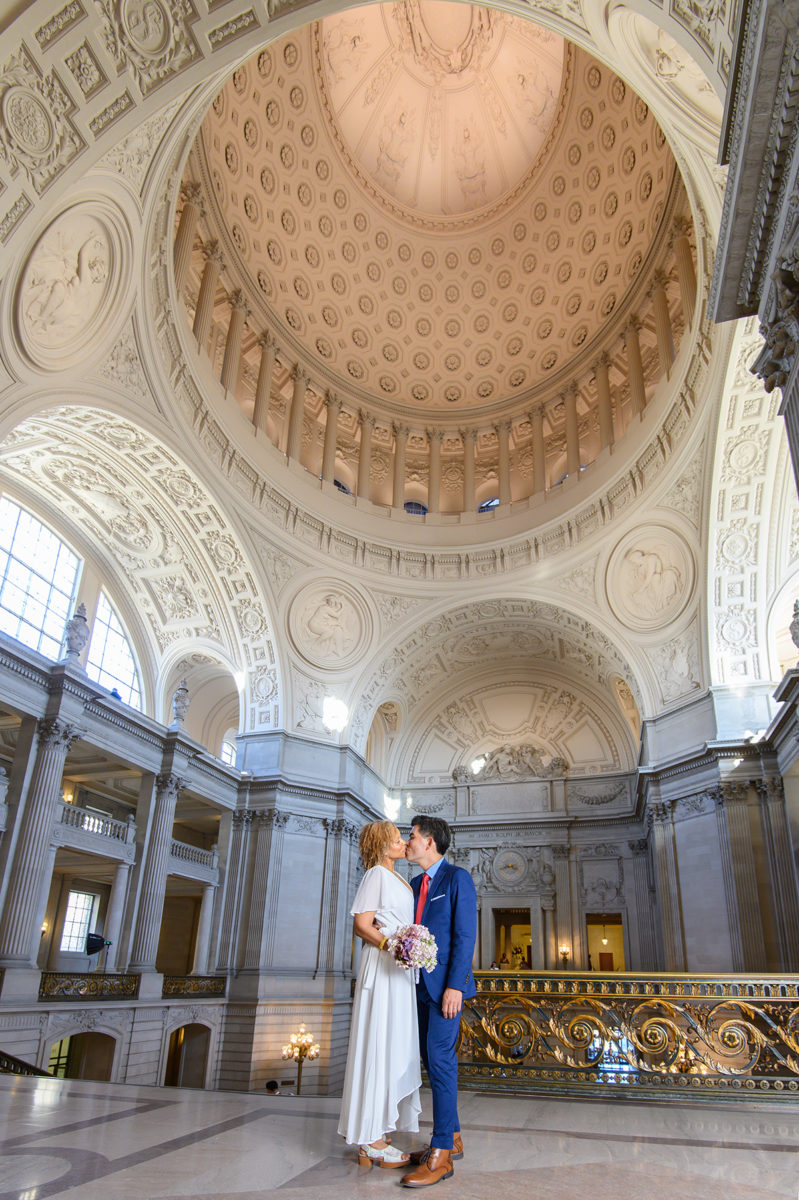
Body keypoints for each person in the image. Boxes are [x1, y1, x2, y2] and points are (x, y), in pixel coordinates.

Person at [338, 820, 421, 1168]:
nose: (403, 844)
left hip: (398, 968)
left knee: (394, 1043)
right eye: (397, 839)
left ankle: (377, 1133)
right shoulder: (375, 875)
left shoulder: (396, 876)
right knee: (379, 1040)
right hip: (384, 965)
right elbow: (362, 924)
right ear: (382, 845)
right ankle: (370, 1139)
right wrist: (395, 945)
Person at [402, 815, 477, 1188]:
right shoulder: (414, 884)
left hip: (446, 989)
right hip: (416, 986)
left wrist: (456, 987)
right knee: (432, 1062)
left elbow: (465, 935)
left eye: (412, 836)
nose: (408, 842)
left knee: (442, 1062)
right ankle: (453, 1135)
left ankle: (442, 1154)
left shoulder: (457, 878)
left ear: (430, 842)